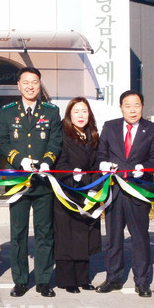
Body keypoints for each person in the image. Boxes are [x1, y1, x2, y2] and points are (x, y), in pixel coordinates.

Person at [0, 67, 63, 297]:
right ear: (18, 85)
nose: (30, 86)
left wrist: (47, 162)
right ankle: (21, 280)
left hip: (43, 182)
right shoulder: (7, 112)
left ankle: (44, 280)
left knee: (45, 232)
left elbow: (55, 141)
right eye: (26, 82)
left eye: (34, 82)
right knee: (18, 232)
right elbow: (2, 142)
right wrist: (18, 160)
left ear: (39, 84)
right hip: (18, 181)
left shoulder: (52, 111)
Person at [95, 90, 154, 297]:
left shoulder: (153, 130)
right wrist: (103, 164)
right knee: (113, 238)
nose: (132, 110)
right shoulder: (110, 127)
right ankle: (113, 278)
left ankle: (142, 281)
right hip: (114, 191)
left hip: (138, 190)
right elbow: (100, 153)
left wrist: (144, 167)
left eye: (136, 105)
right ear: (121, 107)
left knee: (140, 238)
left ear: (142, 106)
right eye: (128, 105)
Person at [53, 97, 102, 294]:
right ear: (69, 115)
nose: (80, 116)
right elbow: (58, 161)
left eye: (84, 111)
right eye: (76, 112)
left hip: (88, 191)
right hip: (67, 191)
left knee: (85, 236)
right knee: (66, 236)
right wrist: (71, 173)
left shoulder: (93, 136)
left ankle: (83, 278)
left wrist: (93, 183)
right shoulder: (62, 135)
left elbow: (98, 162)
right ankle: (67, 280)